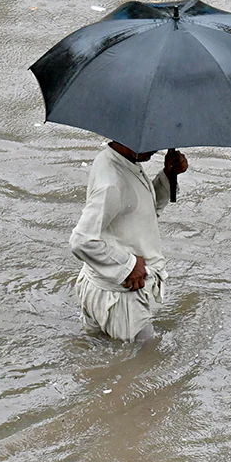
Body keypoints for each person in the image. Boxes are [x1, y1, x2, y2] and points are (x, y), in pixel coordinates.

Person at [69, 141, 188, 342]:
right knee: (146, 362)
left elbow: (139, 210)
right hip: (121, 298)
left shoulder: (116, 160)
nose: (157, 146)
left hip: (101, 286)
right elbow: (81, 241)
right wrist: (129, 264)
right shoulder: (112, 183)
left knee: (102, 353)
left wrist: (168, 175)